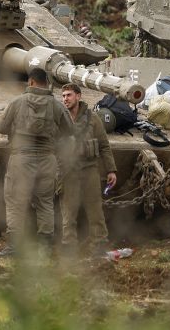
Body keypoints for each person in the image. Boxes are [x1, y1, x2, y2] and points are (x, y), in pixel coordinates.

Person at [0, 67, 73, 256]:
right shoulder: (57, 105)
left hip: (21, 159)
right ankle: (45, 248)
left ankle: (14, 247)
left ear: (30, 82)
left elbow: (1, 127)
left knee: (15, 201)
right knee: (45, 201)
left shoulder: (17, 102)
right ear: (47, 83)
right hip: (47, 159)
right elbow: (69, 129)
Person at [58, 83, 117, 254]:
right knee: (69, 212)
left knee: (95, 210)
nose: (65, 99)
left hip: (90, 169)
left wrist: (111, 170)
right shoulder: (60, 118)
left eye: (69, 95)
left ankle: (99, 244)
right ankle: (69, 247)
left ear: (78, 96)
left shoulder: (93, 118)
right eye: (63, 96)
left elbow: (104, 145)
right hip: (69, 170)